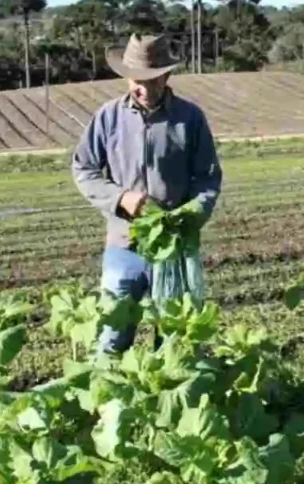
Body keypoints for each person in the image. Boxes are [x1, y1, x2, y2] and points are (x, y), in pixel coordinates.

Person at [71, 33, 222, 353]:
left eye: (152, 80)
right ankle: (108, 386)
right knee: (112, 338)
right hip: (124, 246)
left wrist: (192, 214)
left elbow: (207, 178)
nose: (144, 88)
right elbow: (84, 168)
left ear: (166, 76)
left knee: (174, 340)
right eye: (136, 81)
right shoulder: (108, 117)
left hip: (173, 248)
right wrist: (120, 198)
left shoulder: (190, 118)